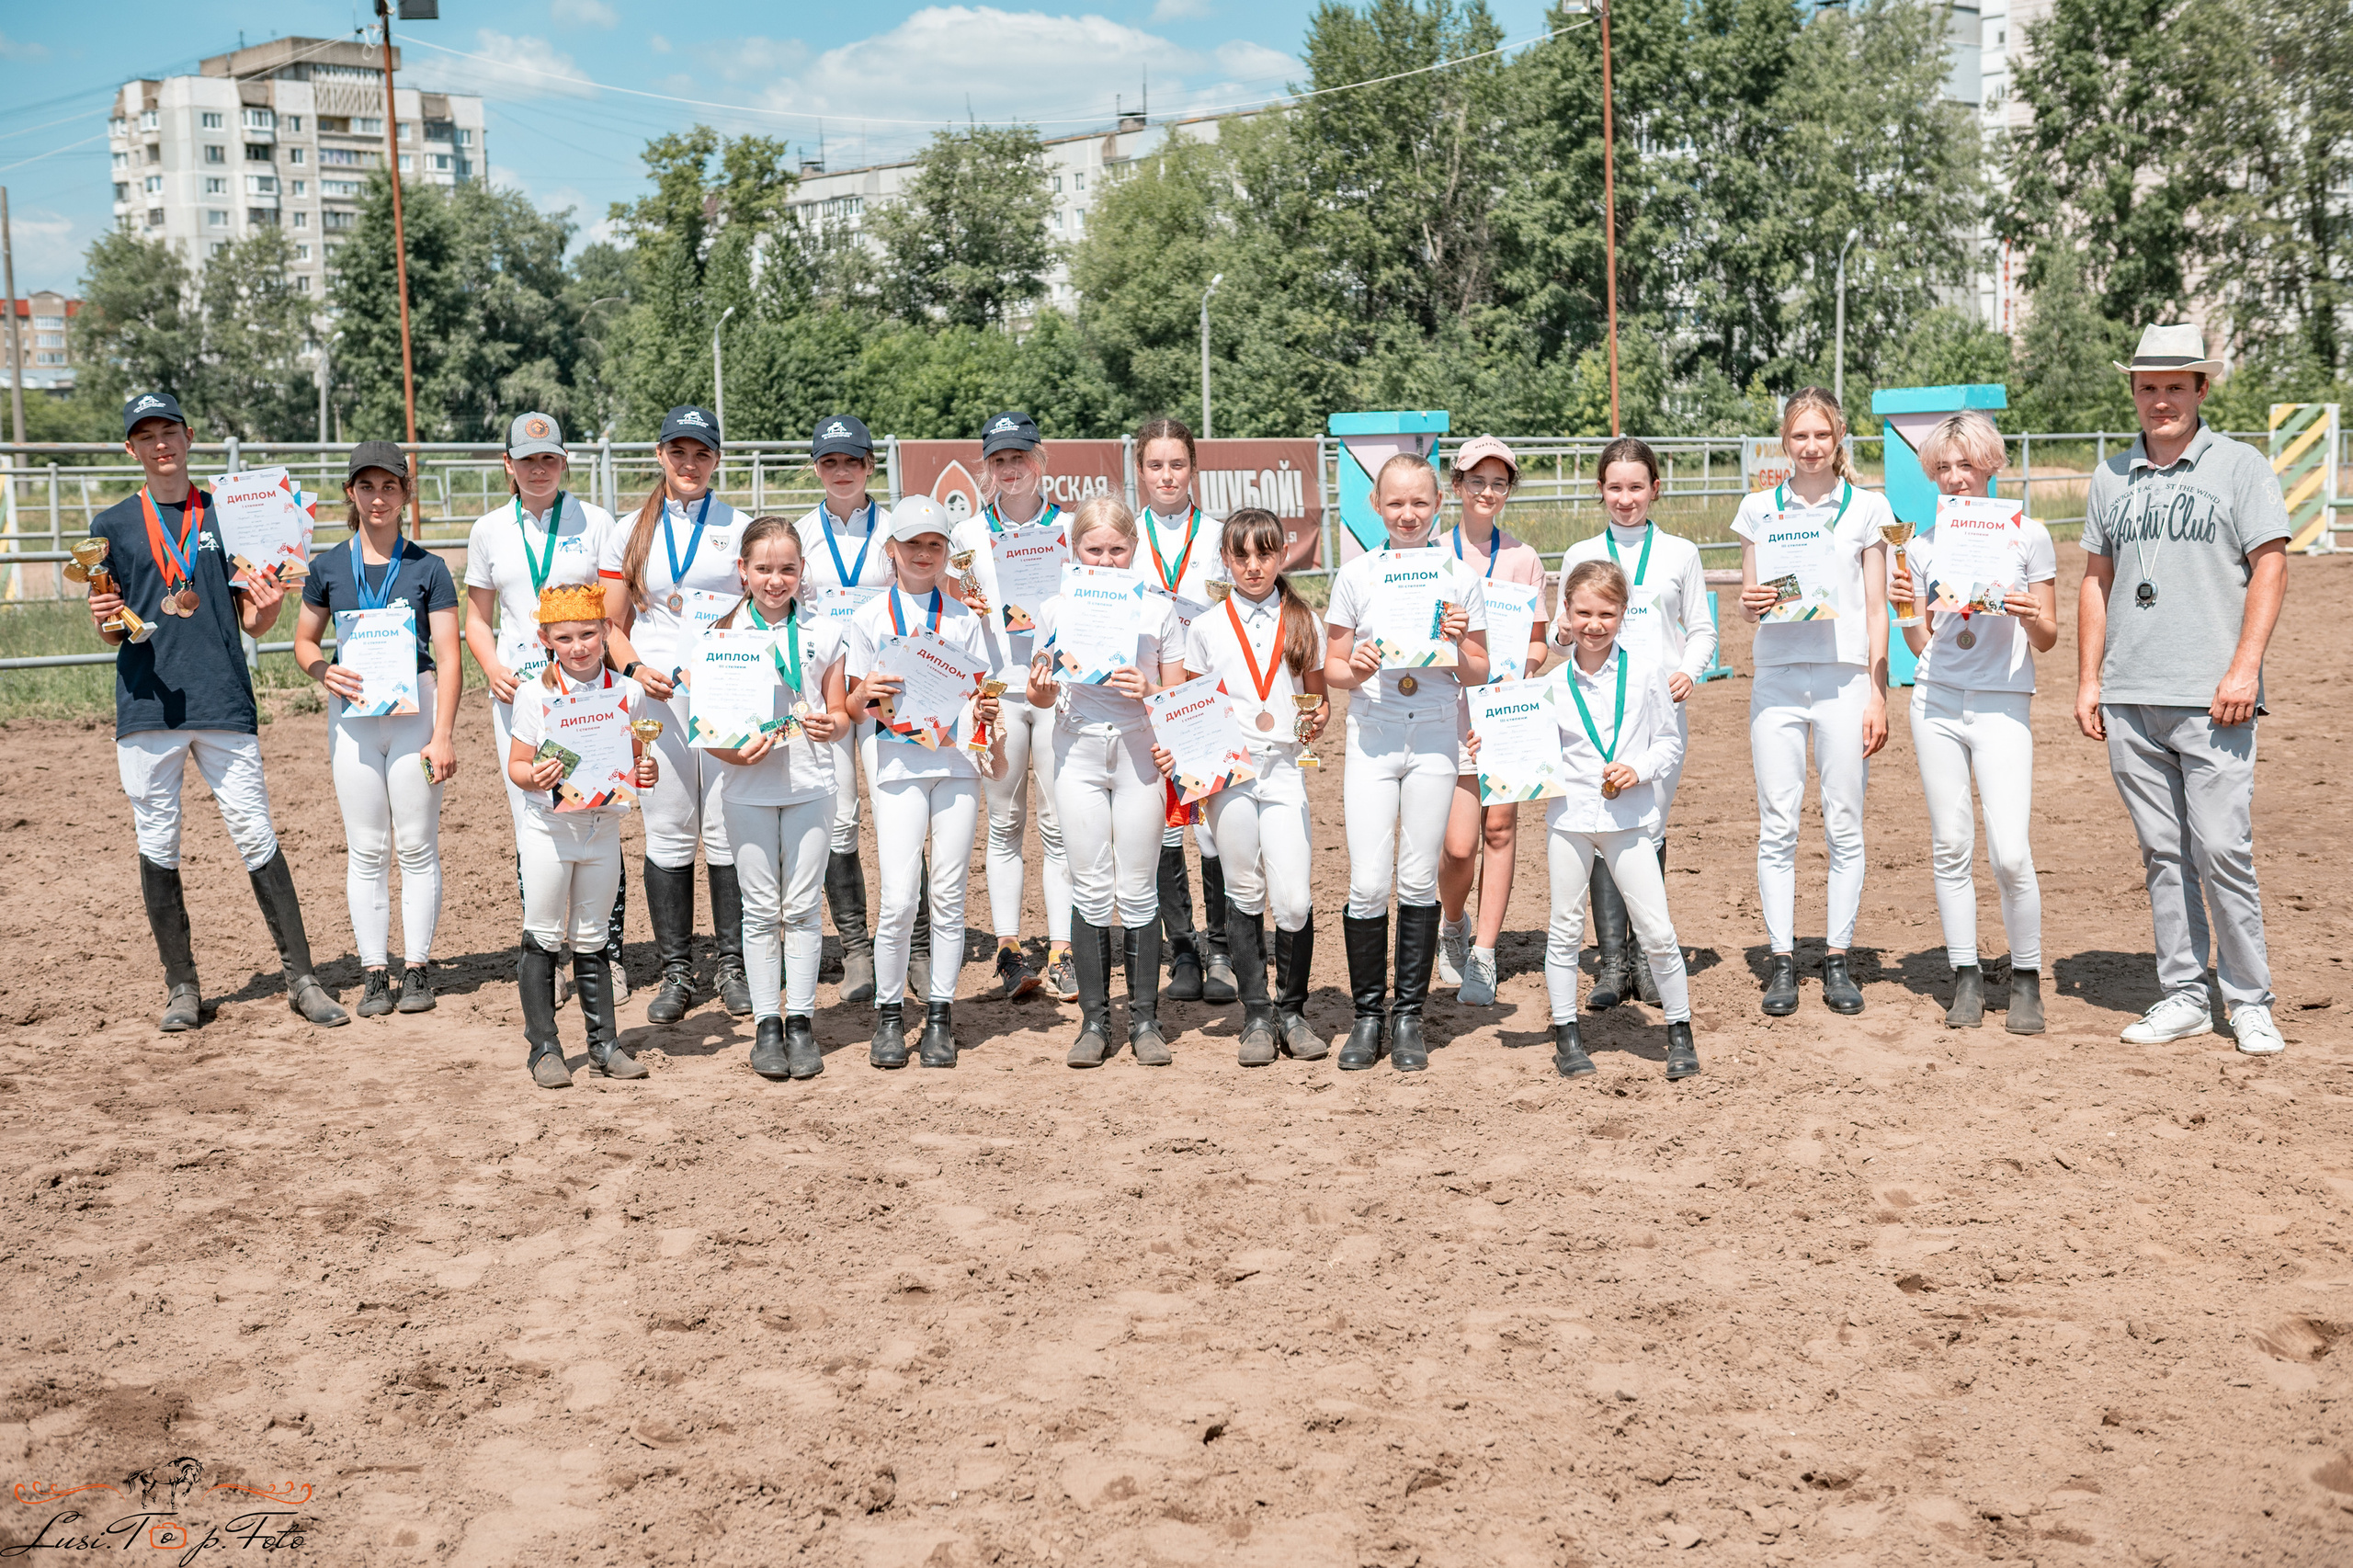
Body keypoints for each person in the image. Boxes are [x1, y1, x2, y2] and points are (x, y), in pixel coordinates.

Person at [88, 391, 348, 1031]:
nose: (160, 444)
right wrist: (103, 617)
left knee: (256, 832)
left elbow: (253, 620)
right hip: (148, 703)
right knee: (158, 841)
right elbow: (112, 630)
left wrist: (270, 604)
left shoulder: (230, 512)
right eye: (146, 436)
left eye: (169, 431)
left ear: (189, 437)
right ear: (131, 448)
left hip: (222, 696)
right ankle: (181, 987)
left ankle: (303, 980)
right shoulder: (112, 525)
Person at [2077, 324, 2290, 1056]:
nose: (2160, 399)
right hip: (2130, 696)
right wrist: (2089, 680)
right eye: (2148, 387)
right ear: (2133, 392)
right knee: (2163, 854)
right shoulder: (2110, 477)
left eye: (2175, 386)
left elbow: (2271, 566)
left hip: (2215, 696)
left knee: (2223, 849)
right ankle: (2185, 996)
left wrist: (2245, 667)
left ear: (2201, 389)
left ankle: (2250, 1000)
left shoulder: (2240, 467)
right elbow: (2096, 581)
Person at [1485, 560, 1695, 1080]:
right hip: (1570, 820)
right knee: (1563, 930)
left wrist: (1639, 768)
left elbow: (1669, 742)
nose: (1594, 624)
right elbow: (1527, 753)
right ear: (1567, 612)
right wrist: (1490, 750)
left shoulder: (1646, 673)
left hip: (1629, 820)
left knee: (1658, 931)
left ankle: (1679, 1030)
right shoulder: (1551, 686)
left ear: (1623, 613)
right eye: (1583, 613)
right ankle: (1567, 1035)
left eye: (1606, 613)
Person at [1888, 411, 2057, 1033]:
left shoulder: (2029, 536)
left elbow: (2048, 637)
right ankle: (1966, 975)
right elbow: (1922, 644)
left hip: (2002, 701)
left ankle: (2027, 976)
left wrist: (2029, 612)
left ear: (1990, 465)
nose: (1956, 477)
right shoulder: (1921, 546)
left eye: (1966, 464)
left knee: (2010, 853)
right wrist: (1906, 607)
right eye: (1943, 467)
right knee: (1951, 844)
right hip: (1935, 702)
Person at [1323, 455, 1490, 1072]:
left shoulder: (1460, 577)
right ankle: (1368, 1015)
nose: (1408, 514)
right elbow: (1334, 667)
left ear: (1438, 503)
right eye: (1395, 503)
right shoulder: (1355, 575)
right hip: (1375, 733)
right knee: (1368, 882)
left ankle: (1409, 1016)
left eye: (1420, 502)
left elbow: (1479, 670)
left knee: (1419, 879)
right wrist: (1355, 669)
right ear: (1376, 506)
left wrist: (1459, 642)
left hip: (1436, 733)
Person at [1733, 388, 1893, 1017]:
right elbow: (1752, 600)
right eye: (1799, 436)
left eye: (1821, 435)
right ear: (1784, 441)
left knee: (1843, 821)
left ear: (1839, 436)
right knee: (1778, 822)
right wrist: (1749, 604)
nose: (1810, 446)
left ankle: (1837, 958)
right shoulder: (1758, 509)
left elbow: (1877, 608)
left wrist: (1877, 692)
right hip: (1777, 676)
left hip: (1844, 680)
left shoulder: (1867, 508)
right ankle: (1781, 960)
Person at [290, 442, 461, 1017]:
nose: (378, 497)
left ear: (405, 493)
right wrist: (322, 670)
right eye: (366, 486)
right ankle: (373, 973)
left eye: (390, 486)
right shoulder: (327, 568)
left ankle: (417, 968)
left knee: (416, 844)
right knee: (366, 847)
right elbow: (304, 641)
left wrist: (443, 734)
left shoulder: (429, 568)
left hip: (416, 713)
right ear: (351, 493)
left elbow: (449, 656)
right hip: (355, 717)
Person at [463, 412, 625, 1000]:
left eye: (549, 459)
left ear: (563, 462)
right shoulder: (488, 530)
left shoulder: (596, 521)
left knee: (599, 807)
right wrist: (492, 667)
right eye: (528, 460)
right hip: (522, 696)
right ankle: (547, 955)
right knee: (533, 817)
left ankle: (604, 953)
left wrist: (608, 674)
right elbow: (477, 618)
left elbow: (613, 614)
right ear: (508, 464)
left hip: (587, 693)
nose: (539, 469)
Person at [845, 495, 1007, 1068]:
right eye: (912, 544)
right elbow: (853, 706)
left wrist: (986, 711)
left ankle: (940, 1015)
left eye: (934, 544)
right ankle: (890, 1016)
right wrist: (864, 692)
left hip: (957, 763)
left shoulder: (964, 618)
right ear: (892, 549)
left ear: (945, 552)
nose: (923, 553)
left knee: (949, 893)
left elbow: (981, 692)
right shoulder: (869, 618)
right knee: (898, 898)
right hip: (896, 764)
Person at [600, 406, 750, 1024]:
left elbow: (758, 610)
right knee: (666, 829)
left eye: (702, 453)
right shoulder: (628, 529)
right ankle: (676, 972)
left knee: (725, 829)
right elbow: (611, 624)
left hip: (724, 694)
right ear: (660, 454)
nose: (690, 464)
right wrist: (635, 670)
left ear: (717, 459)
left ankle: (734, 966)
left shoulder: (739, 527)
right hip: (657, 700)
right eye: (679, 452)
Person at [1557, 437, 1716, 1011]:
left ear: (1655, 489)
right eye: (1615, 487)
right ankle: (1612, 963)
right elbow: (1560, 631)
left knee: (1647, 827)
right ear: (1601, 489)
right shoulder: (1579, 552)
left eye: (1636, 487)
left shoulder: (1681, 553)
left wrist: (1689, 672)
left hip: (1657, 712)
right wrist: (1559, 633)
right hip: (1595, 715)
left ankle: (1647, 957)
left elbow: (1702, 629)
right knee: (1601, 828)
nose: (1626, 499)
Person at [1029, 497, 1188, 1067]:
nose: (1105, 559)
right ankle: (1095, 1022)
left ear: (1134, 548)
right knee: (1091, 885)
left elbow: (1178, 696)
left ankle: (1145, 1019)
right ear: (1074, 550)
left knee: (1138, 886)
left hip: (1138, 752)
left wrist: (1149, 689)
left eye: (1117, 549)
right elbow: (1038, 695)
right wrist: (1042, 687)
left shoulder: (1159, 611)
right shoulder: (1054, 608)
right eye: (1093, 549)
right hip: (1077, 752)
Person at [1170, 506, 1330, 1063]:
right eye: (1241, 556)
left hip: (1284, 766)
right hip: (1230, 772)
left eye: (1264, 554)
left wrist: (1317, 718)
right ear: (1225, 560)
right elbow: (1192, 705)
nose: (1253, 566)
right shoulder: (1205, 628)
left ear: (1283, 554)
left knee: (1294, 899)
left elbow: (1319, 699)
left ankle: (1294, 1010)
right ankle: (1258, 1015)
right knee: (1243, 890)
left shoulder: (1304, 620)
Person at [709, 518, 851, 1082]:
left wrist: (832, 725)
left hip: (811, 785)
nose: (775, 580)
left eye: (787, 569)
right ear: (742, 571)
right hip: (746, 789)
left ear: (801, 572)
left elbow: (840, 713)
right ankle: (767, 1023)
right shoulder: (720, 636)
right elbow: (708, 730)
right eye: (764, 569)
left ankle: (801, 1021)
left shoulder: (825, 631)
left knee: (804, 907)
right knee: (761, 909)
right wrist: (734, 755)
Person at [506, 584, 660, 1086]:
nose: (578, 647)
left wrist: (646, 772)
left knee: (595, 936)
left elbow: (635, 760)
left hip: (603, 827)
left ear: (607, 631)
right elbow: (517, 765)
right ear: (546, 639)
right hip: (550, 830)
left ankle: (604, 1045)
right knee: (544, 933)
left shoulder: (629, 693)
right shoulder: (534, 694)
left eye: (588, 634)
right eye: (565, 637)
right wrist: (536, 776)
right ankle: (544, 1048)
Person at [947, 409, 1074, 1003]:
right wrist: (964, 607)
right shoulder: (968, 535)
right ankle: (1008, 948)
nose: (1009, 468)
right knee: (1003, 823)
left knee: (1057, 825)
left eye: (1019, 457)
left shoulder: (1068, 527)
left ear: (1038, 460)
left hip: (1054, 688)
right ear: (987, 468)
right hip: (997, 692)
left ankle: (1064, 949)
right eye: (998, 459)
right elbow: (953, 612)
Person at [1432, 436, 1551, 1008]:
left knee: (1499, 829)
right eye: (1476, 480)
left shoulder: (1524, 559)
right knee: (1459, 847)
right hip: (1448, 707)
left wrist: (1518, 677)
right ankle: (1451, 923)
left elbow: (1538, 642)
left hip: (1505, 710)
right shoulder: (1430, 554)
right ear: (1457, 485)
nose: (1487, 491)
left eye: (1498, 483)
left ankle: (1483, 952)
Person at [792, 414, 896, 1006]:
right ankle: (856, 947)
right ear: (816, 468)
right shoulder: (800, 533)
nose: (841, 472)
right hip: (826, 690)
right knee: (839, 817)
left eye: (852, 461)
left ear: (869, 465)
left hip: (885, 688)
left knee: (898, 810)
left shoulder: (896, 529)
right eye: (829, 462)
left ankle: (912, 944)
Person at [1133, 418, 1237, 1004]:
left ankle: (1221, 949)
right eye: (1156, 465)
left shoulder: (1221, 536)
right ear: (1140, 471)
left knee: (1213, 826)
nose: (1167, 476)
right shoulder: (1126, 538)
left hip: (1207, 699)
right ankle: (1183, 951)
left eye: (1177, 464)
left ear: (1193, 468)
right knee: (1165, 824)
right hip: (1145, 697)